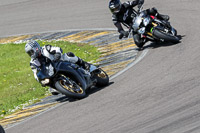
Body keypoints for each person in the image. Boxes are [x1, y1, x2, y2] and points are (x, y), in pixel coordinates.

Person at [25, 40, 90, 95]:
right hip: (50, 72)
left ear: (36, 48)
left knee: (68, 55)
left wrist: (57, 54)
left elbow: (57, 49)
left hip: (59, 62)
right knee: (52, 90)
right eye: (29, 53)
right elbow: (35, 73)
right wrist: (40, 80)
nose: (31, 54)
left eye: (31, 52)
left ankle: (84, 64)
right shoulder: (33, 62)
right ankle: (64, 87)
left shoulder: (46, 49)